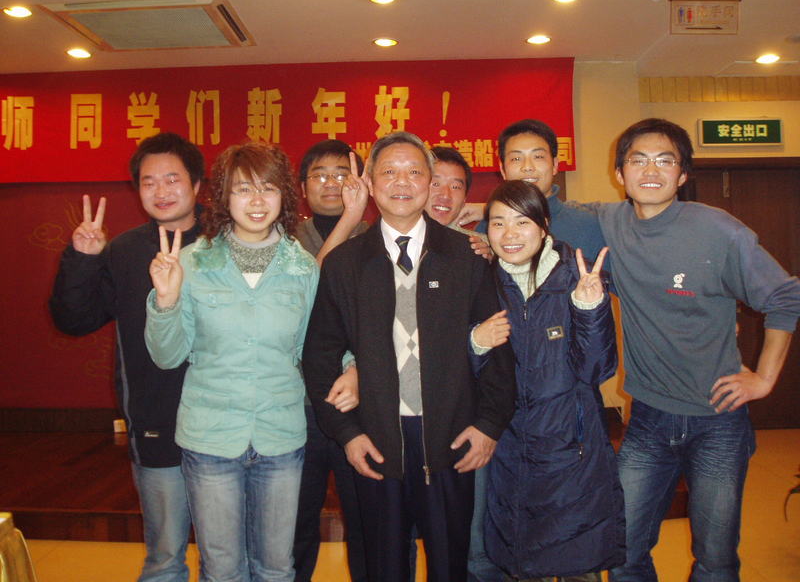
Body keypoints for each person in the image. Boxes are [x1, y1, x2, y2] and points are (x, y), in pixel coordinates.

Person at [302, 131, 517, 582]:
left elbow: (499, 347)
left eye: (415, 172)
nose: (402, 182)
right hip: (376, 439)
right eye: (389, 172)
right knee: (383, 566)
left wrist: (489, 425)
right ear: (370, 182)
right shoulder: (344, 263)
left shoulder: (466, 256)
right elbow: (320, 356)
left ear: (429, 181)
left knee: (449, 564)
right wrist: (347, 433)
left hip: (452, 439)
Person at [593, 119, 800, 581]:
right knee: (622, 550)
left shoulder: (717, 230)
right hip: (648, 420)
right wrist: (480, 232)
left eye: (664, 161)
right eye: (638, 160)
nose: (651, 171)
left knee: (715, 560)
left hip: (718, 422)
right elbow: (539, 215)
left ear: (682, 174)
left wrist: (764, 379)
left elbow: (786, 296)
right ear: (619, 173)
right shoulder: (609, 223)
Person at [145, 142, 319, 582]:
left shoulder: (303, 268)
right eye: (243, 189)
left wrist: (352, 365)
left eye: (268, 188)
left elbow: (312, 349)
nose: (257, 201)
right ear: (223, 196)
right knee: (222, 569)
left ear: (284, 196)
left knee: (277, 567)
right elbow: (167, 357)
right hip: (210, 438)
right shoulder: (191, 262)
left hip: (280, 437)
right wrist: (165, 301)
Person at [49, 132, 204, 582]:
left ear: (197, 185)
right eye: (148, 182)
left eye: (172, 179)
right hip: (156, 421)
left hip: (225, 424)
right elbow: (74, 319)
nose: (160, 191)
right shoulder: (124, 250)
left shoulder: (225, 244)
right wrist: (83, 259)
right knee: (164, 557)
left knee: (229, 555)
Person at [471, 180, 625, 581]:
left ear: (543, 227)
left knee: (578, 565)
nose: (509, 234)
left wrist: (589, 309)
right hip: (510, 453)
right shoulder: (481, 283)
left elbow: (597, 371)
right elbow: (460, 376)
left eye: (522, 222)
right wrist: (475, 343)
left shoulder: (575, 277)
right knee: (525, 564)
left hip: (571, 451)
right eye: (498, 223)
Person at [293, 139, 368, 582]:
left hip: (360, 402)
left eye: (342, 174)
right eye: (319, 175)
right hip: (297, 403)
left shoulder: (377, 235)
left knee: (365, 520)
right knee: (296, 523)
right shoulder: (285, 238)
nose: (331, 183)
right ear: (303, 187)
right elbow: (308, 291)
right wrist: (349, 220)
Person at [458, 119, 606, 264]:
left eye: (538, 157)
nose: (527, 167)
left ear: (555, 165)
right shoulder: (488, 229)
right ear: (503, 169)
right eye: (516, 158)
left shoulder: (587, 225)